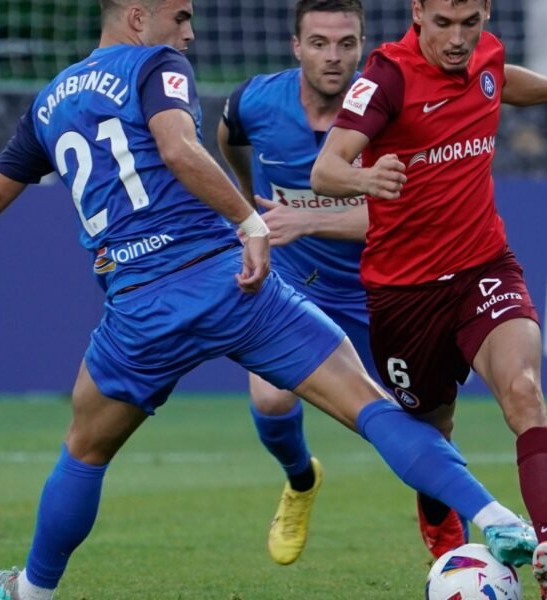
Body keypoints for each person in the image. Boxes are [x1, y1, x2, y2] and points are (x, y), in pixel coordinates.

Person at [0, 1, 547, 598]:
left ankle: (31, 591)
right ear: (138, 16)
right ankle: (494, 516)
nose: (190, 34)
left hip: (137, 306)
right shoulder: (154, 65)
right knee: (370, 409)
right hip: (227, 281)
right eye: (182, 16)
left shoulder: (49, 102)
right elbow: (180, 148)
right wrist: (251, 222)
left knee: (84, 450)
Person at [311, 0, 547, 598]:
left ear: (486, 13)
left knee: (524, 392)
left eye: (471, 22)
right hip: (402, 292)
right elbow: (325, 169)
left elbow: (502, 81)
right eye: (443, 24)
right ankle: (451, 555)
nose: (459, 39)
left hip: (482, 267)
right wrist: (365, 178)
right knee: (429, 428)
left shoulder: (484, 55)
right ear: (418, 11)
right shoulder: (387, 76)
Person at [217, 0, 469, 566]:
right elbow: (227, 136)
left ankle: (440, 520)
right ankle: (301, 480)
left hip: (384, 289)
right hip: (292, 286)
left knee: (429, 420)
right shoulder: (254, 102)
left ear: (363, 46)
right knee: (271, 394)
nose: (334, 57)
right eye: (320, 42)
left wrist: (304, 218)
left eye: (346, 44)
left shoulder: (393, 111)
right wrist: (244, 201)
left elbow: (407, 213)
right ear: (296, 46)